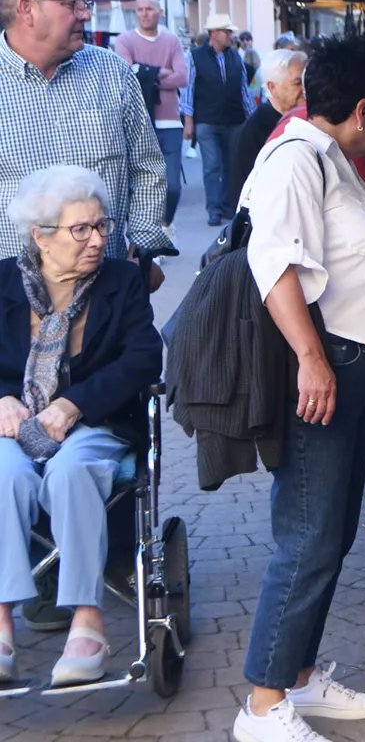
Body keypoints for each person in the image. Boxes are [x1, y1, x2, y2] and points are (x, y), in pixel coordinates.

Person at [234, 37, 365, 742]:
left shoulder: (329, 157)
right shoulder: (294, 160)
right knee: (306, 536)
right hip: (323, 371)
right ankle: (265, 703)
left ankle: (299, 677)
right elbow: (274, 264)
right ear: (361, 110)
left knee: (330, 532)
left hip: (346, 369)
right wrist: (313, 358)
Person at [0, 166, 162, 686]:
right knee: (4, 476)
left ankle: (87, 622)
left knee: (72, 471)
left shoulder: (121, 280)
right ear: (39, 236)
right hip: (15, 427)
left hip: (97, 424)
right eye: (81, 230)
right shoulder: (3, 282)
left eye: (102, 226)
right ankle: (1, 622)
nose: (98, 240)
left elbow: (143, 359)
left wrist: (73, 405)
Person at [0, 0, 170, 262]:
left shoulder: (112, 73)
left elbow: (147, 167)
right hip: (12, 293)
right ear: (27, 9)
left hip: (108, 283)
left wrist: (144, 248)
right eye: (73, 4)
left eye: (85, 3)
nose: (86, 15)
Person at [111, 0, 188, 233]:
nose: (144, 13)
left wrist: (145, 74)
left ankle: (166, 224)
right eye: (140, 10)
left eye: (149, 9)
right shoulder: (125, 40)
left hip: (170, 121)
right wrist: (161, 73)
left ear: (160, 13)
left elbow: (182, 77)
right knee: (140, 182)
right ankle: (146, 232)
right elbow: (126, 74)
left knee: (172, 185)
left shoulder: (172, 41)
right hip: (137, 120)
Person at [181, 13, 254, 227]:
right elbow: (188, 90)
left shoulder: (235, 57)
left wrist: (251, 117)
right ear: (213, 34)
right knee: (212, 165)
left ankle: (227, 205)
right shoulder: (195, 56)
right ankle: (213, 208)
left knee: (231, 164)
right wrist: (189, 120)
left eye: (230, 32)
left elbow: (243, 90)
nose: (230, 35)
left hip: (233, 119)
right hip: (207, 120)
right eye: (226, 31)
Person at [228, 48, 306, 209]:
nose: (304, 90)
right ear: (272, 87)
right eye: (298, 83)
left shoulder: (304, 117)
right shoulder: (256, 128)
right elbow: (242, 189)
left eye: (306, 82)